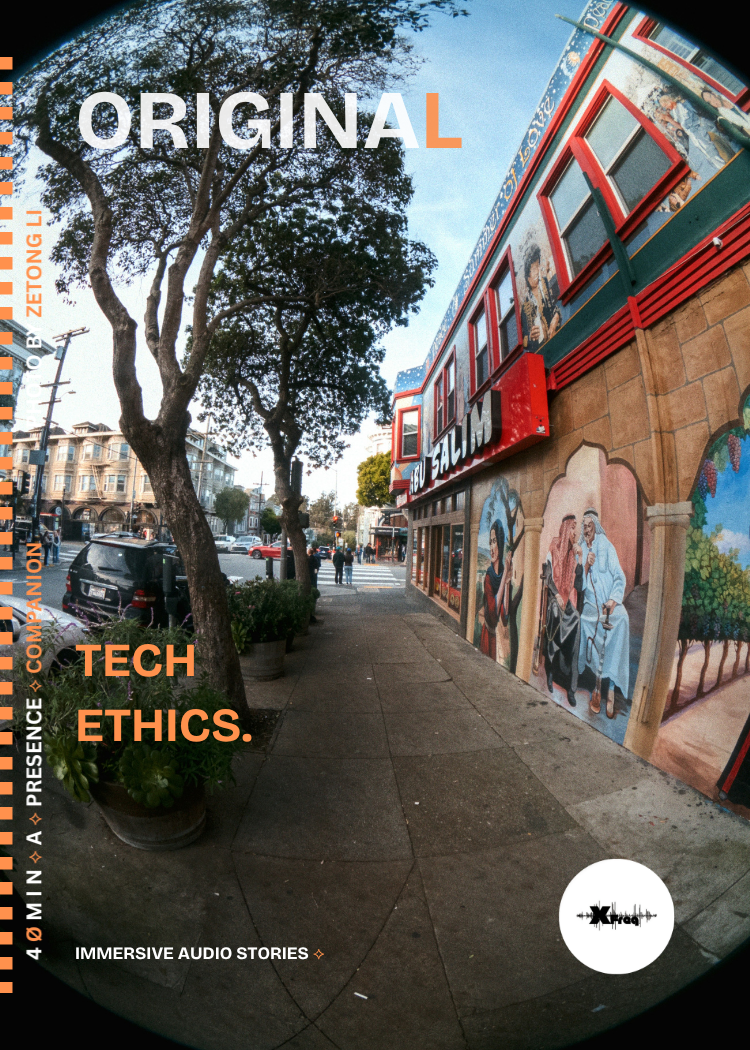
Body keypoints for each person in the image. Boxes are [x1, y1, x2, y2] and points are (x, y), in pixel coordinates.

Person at [576, 509, 630, 719]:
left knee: (622, 621)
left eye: (589, 526)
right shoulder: (581, 549)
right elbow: (579, 585)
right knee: (586, 622)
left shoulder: (607, 546)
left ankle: (611, 689)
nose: (586, 530)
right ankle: (597, 687)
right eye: (584, 527)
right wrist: (586, 565)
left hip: (609, 604)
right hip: (591, 606)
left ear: (596, 527)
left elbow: (620, 577)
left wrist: (613, 601)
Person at [542, 514, 583, 707]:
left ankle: (571, 688)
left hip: (569, 604)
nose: (575, 532)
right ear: (566, 528)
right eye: (573, 528)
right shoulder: (554, 547)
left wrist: (580, 561)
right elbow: (548, 576)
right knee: (555, 614)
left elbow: (579, 585)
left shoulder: (574, 554)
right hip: (555, 599)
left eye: (576, 528)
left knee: (576, 620)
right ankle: (550, 672)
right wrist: (557, 595)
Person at [478, 519, 512, 661]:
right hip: (488, 635)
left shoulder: (503, 573)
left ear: (500, 543)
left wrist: (507, 583)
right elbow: (493, 612)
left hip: (497, 638)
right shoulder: (489, 576)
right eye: (490, 542)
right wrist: (505, 577)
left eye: (494, 541)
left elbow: (504, 615)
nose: (491, 548)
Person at [520, 244, 561, 353]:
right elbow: (524, 342)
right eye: (534, 268)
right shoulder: (525, 307)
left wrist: (555, 318)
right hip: (542, 352)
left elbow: (557, 305)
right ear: (527, 276)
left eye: (538, 266)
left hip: (557, 339)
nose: (538, 270)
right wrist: (530, 336)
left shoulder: (545, 283)